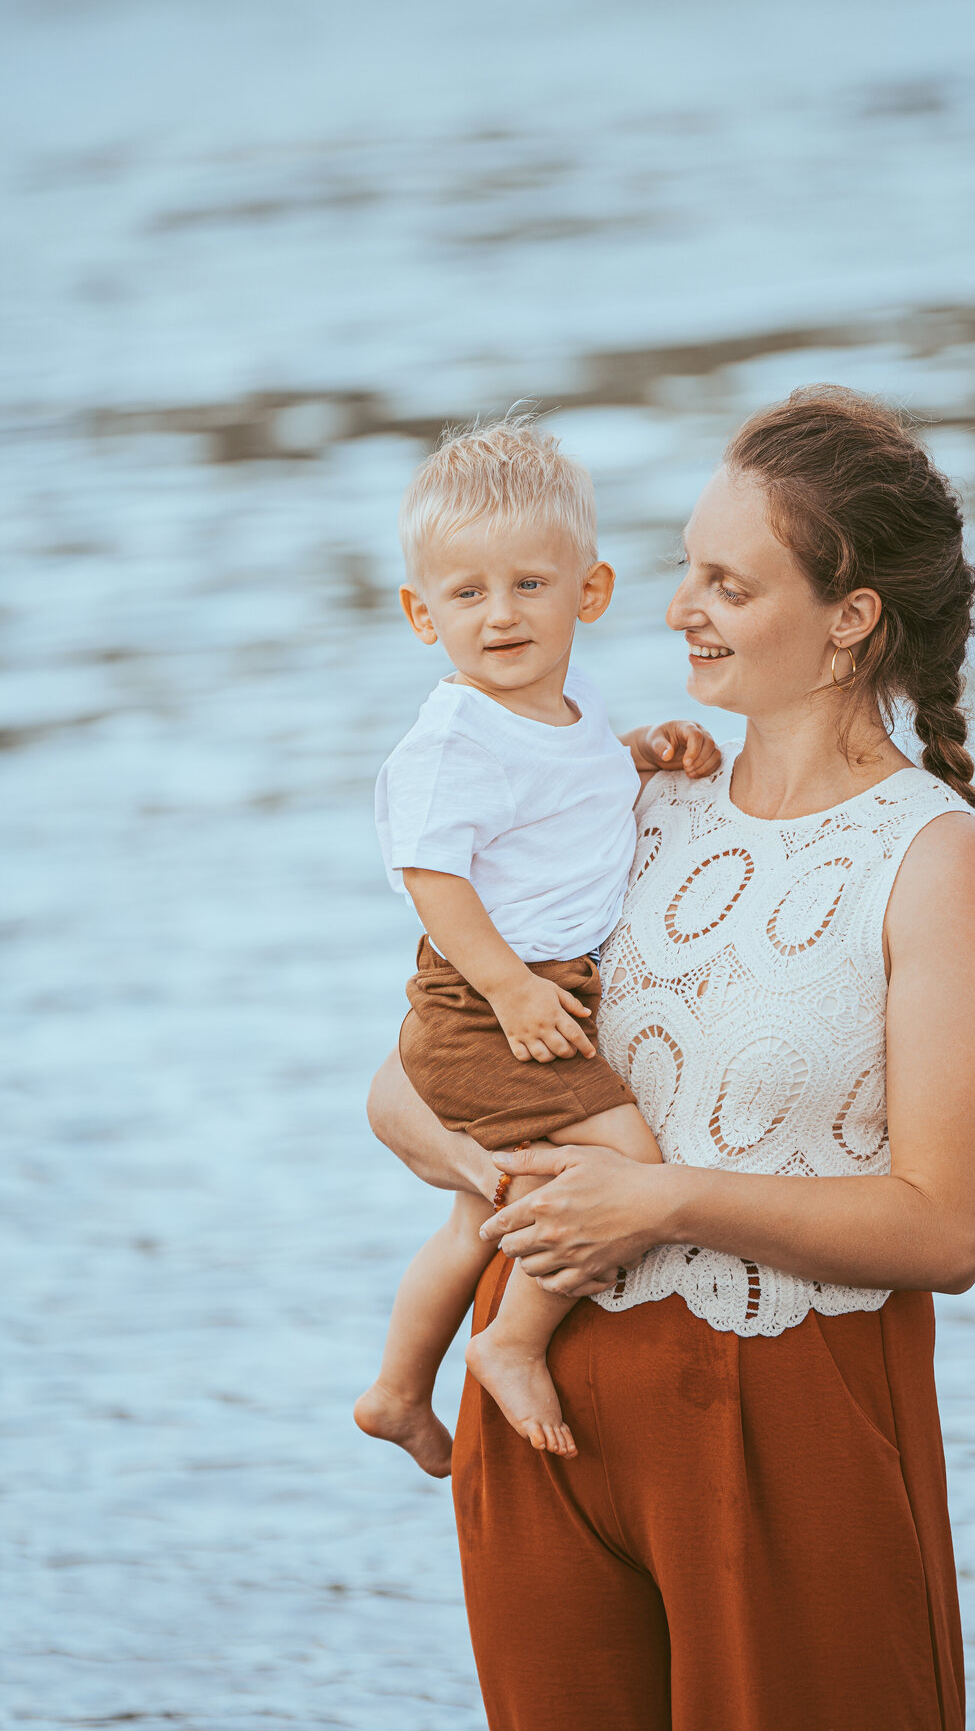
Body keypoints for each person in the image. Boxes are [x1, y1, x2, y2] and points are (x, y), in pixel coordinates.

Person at [367, 387, 975, 1731]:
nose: (678, 606)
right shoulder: (623, 798)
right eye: (685, 565)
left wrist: (664, 1199)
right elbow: (404, 1076)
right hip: (540, 1413)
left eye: (727, 583)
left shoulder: (938, 867)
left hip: (782, 1431)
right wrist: (472, 1165)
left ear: (850, 618)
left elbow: (948, 1231)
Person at [354, 418, 721, 1476]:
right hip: (486, 1001)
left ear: (589, 593)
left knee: (480, 1213)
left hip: (524, 989)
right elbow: (435, 881)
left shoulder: (562, 706)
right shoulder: (450, 743)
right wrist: (512, 990)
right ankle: (511, 1341)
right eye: (466, 594)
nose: (501, 614)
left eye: (529, 585)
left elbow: (563, 791)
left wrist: (642, 752)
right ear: (424, 614)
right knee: (629, 1162)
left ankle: (394, 1389)